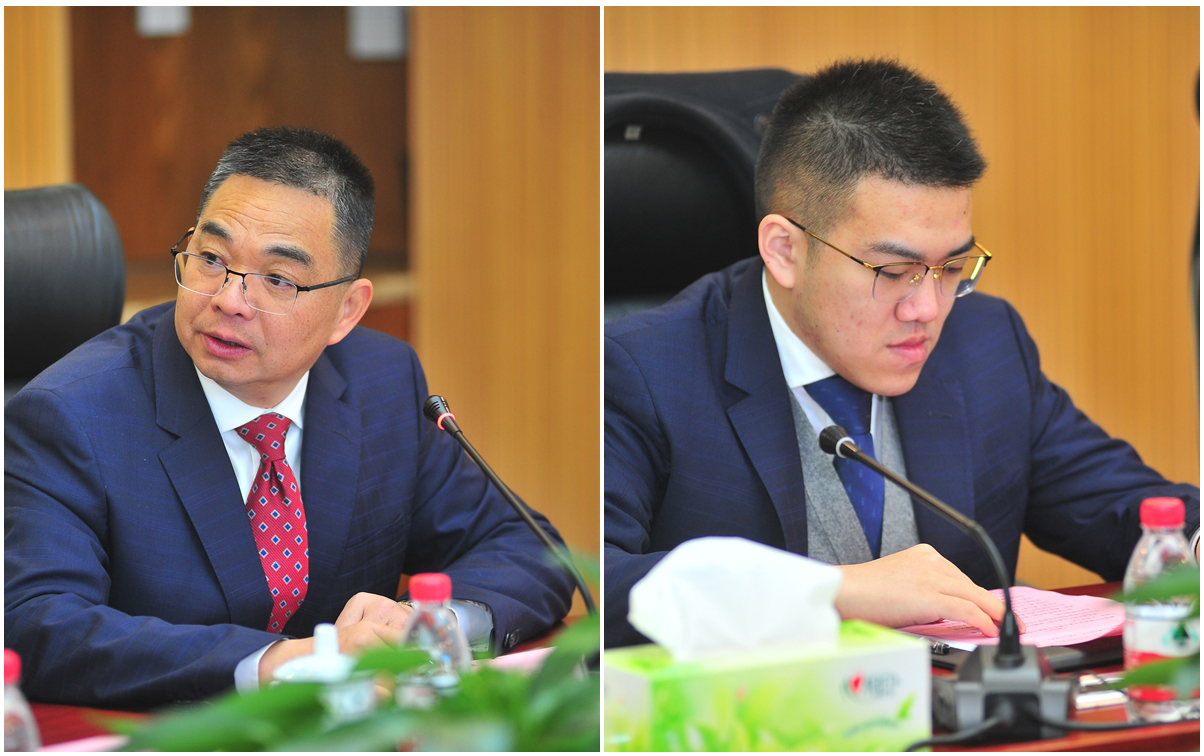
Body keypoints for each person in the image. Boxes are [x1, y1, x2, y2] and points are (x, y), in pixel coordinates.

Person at [604, 59, 1200, 648]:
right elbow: (596, 585)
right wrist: (832, 592)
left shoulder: (985, 344)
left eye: (952, 267)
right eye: (893, 272)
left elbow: (1133, 513)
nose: (928, 308)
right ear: (784, 250)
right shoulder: (646, 371)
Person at [5, 127, 574, 706]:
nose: (229, 300)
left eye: (277, 279)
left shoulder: (382, 382)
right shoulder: (72, 415)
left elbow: (530, 549)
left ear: (346, 310)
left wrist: (427, 625)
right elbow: (34, 622)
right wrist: (279, 663)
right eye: (211, 258)